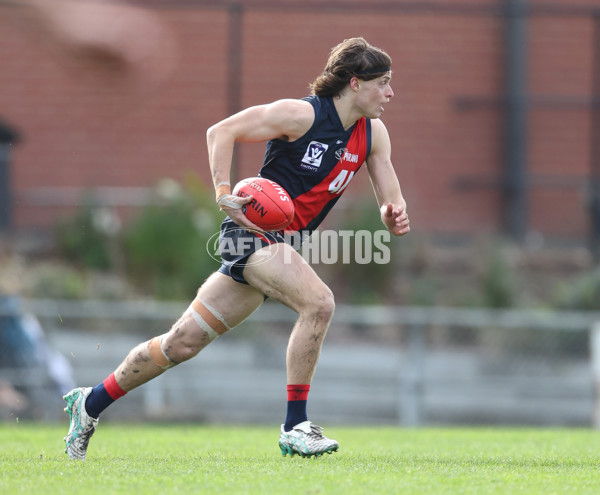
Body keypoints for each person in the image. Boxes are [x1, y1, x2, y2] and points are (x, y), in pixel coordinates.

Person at [62, 37, 410, 460]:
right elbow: (221, 131)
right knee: (319, 303)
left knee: (181, 343)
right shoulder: (300, 115)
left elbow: (390, 195)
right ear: (355, 83)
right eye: (384, 83)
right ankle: (296, 426)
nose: (390, 93)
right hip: (251, 233)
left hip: (284, 244)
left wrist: (394, 213)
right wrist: (224, 192)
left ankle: (89, 403)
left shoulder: (373, 134)